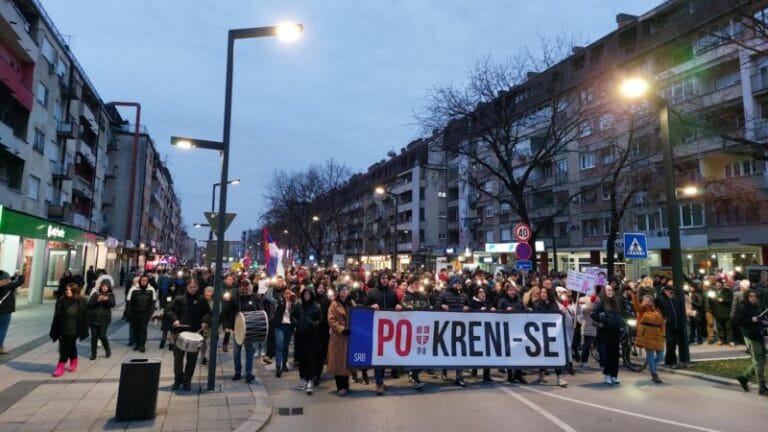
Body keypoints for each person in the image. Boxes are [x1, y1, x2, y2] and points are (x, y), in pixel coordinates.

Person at [167, 278, 211, 391]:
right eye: (191, 287)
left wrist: (205, 321)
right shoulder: (179, 299)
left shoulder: (201, 300)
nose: (193, 289)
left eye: (195, 287)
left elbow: (208, 312)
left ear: (198, 287)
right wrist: (175, 320)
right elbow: (168, 310)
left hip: (195, 333)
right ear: (187, 287)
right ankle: (178, 380)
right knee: (178, 359)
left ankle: (187, 381)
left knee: (191, 360)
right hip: (180, 333)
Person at [365, 272, 402, 395]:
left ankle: (381, 381)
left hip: (390, 330)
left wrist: (398, 306)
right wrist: (371, 306)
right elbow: (364, 307)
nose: (385, 280)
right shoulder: (372, 292)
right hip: (377, 329)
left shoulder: (392, 293)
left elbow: (397, 304)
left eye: (387, 278)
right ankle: (379, 382)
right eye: (383, 278)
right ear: (379, 279)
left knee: (385, 356)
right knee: (378, 356)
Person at [49, 283, 89, 377]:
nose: (68, 292)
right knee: (70, 346)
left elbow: (85, 316)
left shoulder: (81, 301)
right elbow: (56, 316)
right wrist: (55, 329)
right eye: (67, 290)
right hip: (63, 327)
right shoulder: (61, 300)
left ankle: (60, 367)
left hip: (74, 328)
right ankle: (74, 361)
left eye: (70, 290)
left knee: (65, 347)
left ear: (75, 291)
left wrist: (84, 329)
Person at [438, 276, 469, 388]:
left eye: (459, 283)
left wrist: (467, 307)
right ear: (451, 284)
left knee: (460, 352)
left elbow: (468, 306)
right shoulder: (444, 294)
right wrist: (441, 306)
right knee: (446, 351)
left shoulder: (464, 295)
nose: (458, 285)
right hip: (447, 327)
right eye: (456, 283)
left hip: (460, 328)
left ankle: (459, 377)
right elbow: (437, 307)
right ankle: (444, 371)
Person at [733, 289, 767, 395]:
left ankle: (744, 377)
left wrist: (764, 322)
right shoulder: (743, 308)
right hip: (750, 336)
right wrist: (751, 320)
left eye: (755, 296)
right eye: (751, 296)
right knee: (758, 362)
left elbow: (758, 320)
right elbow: (736, 321)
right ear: (747, 297)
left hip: (758, 335)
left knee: (763, 360)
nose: (754, 298)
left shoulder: (756, 307)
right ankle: (761, 387)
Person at [533, 287, 568, 388]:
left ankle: (559, 377)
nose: (543, 294)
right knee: (543, 354)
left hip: (553, 335)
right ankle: (541, 373)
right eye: (542, 292)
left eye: (545, 292)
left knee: (555, 355)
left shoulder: (554, 304)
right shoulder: (538, 304)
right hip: (541, 334)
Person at [291, 288, 323, 395]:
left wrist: (313, 324)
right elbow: (293, 316)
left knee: (310, 357)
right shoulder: (298, 305)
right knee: (302, 357)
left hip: (311, 335)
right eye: (305, 294)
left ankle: (309, 379)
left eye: (309, 293)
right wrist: (297, 324)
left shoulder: (316, 306)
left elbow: (319, 320)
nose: (307, 295)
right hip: (300, 335)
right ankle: (303, 377)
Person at [630, 290, 666, 383]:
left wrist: (663, 334)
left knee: (660, 356)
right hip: (647, 335)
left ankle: (651, 366)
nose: (645, 302)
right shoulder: (643, 309)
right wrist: (634, 294)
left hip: (657, 335)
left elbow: (662, 323)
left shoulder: (657, 310)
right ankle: (654, 373)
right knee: (650, 354)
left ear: (651, 301)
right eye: (644, 300)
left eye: (647, 300)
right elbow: (637, 306)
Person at [401, 276, 429, 390]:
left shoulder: (423, 297)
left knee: (422, 353)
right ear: (411, 284)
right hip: (410, 330)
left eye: (419, 284)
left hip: (422, 329)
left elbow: (428, 309)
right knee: (413, 353)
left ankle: (414, 373)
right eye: (415, 283)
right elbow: (400, 310)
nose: (418, 286)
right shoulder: (406, 297)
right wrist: (406, 307)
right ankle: (414, 376)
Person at [592, 285, 624, 385]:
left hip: (615, 330)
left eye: (611, 290)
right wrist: (604, 319)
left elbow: (620, 314)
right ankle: (607, 375)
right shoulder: (601, 303)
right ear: (604, 292)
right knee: (608, 354)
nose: (610, 291)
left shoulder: (616, 302)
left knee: (615, 354)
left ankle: (614, 375)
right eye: (608, 290)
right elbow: (594, 314)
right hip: (606, 331)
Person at [232, 280, 261, 383]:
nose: (244, 289)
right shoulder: (235, 298)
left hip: (250, 328)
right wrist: (230, 327)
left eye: (246, 287)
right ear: (239, 287)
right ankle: (237, 372)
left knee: (249, 351)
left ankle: (248, 373)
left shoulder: (254, 297)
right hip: (238, 328)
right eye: (242, 287)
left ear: (249, 287)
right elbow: (230, 312)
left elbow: (259, 311)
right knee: (236, 352)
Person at [497, 280, 527, 383]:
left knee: (519, 352)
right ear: (507, 291)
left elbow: (524, 312)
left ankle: (518, 373)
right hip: (507, 329)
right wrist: (506, 311)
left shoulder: (519, 301)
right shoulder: (503, 300)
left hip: (518, 329)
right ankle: (510, 374)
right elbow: (498, 313)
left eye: (513, 290)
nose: (512, 292)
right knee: (509, 352)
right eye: (510, 290)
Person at [656, 283, 690, 368]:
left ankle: (670, 361)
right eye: (670, 292)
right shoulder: (660, 299)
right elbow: (656, 308)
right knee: (671, 343)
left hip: (676, 324)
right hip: (667, 324)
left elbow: (679, 310)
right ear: (665, 291)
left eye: (673, 292)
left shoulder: (674, 299)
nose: (672, 293)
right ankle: (672, 361)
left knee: (673, 344)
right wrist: (663, 318)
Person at [327, 284, 353, 396]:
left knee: (346, 362)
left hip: (348, 336)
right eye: (342, 290)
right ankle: (340, 386)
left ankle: (346, 384)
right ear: (339, 292)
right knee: (338, 361)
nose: (344, 292)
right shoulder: (334, 304)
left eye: (346, 289)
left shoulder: (351, 303)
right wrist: (341, 329)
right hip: (338, 337)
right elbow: (331, 320)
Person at [267, 286, 295, 377]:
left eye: (289, 293)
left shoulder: (294, 303)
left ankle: (284, 364)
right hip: (279, 326)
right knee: (280, 346)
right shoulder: (279, 302)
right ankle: (278, 366)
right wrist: (271, 287)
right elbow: (269, 297)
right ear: (283, 294)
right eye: (286, 293)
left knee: (286, 347)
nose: (287, 295)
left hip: (288, 327)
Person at [126, 274, 157, 352]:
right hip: (134, 312)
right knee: (135, 329)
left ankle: (142, 345)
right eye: (142, 280)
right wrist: (129, 312)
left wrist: (150, 312)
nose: (144, 281)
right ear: (140, 280)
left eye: (145, 280)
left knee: (143, 329)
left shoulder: (151, 289)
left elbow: (153, 302)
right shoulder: (133, 289)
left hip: (145, 313)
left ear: (147, 281)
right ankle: (137, 343)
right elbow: (128, 301)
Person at [87, 275, 115, 360]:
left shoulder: (110, 295)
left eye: (106, 286)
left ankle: (107, 349)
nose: (104, 288)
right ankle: (93, 353)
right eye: (103, 286)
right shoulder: (95, 293)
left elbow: (112, 304)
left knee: (102, 335)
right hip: (93, 318)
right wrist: (97, 300)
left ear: (109, 287)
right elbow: (89, 304)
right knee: (94, 336)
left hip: (105, 319)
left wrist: (106, 300)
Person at [0, 270, 25, 355]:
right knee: (2, 329)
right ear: (5, 280)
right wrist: (20, 274)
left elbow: (7, 279)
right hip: (5, 311)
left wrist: (13, 276)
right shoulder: (9, 286)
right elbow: (21, 281)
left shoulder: (5, 284)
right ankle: (0, 347)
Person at [314, 283, 332, 385]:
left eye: (322, 288)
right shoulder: (313, 300)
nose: (320, 289)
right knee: (314, 352)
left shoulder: (327, 301)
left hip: (324, 330)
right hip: (313, 330)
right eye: (319, 287)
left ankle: (318, 372)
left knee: (322, 352)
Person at [711, 279, 734, 345]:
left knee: (728, 327)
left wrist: (723, 300)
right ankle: (721, 340)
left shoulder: (727, 291)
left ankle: (730, 340)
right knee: (719, 327)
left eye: (719, 283)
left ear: (722, 284)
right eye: (717, 283)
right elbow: (710, 301)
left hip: (726, 312)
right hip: (717, 312)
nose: (718, 284)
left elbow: (731, 300)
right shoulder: (713, 292)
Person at [220, 274, 237, 353]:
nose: (230, 281)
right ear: (225, 280)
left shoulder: (234, 288)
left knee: (227, 330)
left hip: (229, 311)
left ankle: (225, 344)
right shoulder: (221, 287)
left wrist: (232, 297)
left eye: (231, 280)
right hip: (221, 310)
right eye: (229, 279)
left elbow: (235, 297)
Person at [200, 286, 214, 365]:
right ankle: (203, 357)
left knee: (210, 342)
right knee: (203, 343)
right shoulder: (201, 301)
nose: (207, 293)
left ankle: (210, 357)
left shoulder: (215, 302)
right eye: (206, 291)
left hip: (212, 325)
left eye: (209, 292)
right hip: (203, 325)